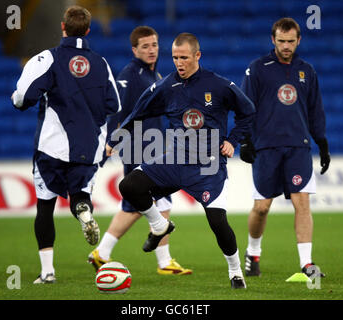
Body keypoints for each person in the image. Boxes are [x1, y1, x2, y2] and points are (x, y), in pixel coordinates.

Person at [107, 33, 256, 289]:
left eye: (184, 57)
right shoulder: (166, 86)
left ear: (197, 56)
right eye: (175, 57)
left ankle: (235, 271)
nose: (179, 63)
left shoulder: (219, 85)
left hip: (208, 167)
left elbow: (248, 112)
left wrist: (233, 139)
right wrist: (115, 139)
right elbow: (138, 112)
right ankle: (159, 224)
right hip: (174, 161)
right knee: (130, 186)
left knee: (218, 223)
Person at [11, 5, 121, 284]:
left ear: (63, 28)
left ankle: (48, 272)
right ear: (88, 30)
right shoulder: (101, 63)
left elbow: (24, 97)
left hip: (53, 147)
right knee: (80, 195)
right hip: (89, 147)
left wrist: (18, 99)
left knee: (45, 206)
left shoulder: (47, 58)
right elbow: (114, 104)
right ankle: (83, 210)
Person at [88, 26, 192, 275]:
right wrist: (114, 141)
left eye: (154, 45)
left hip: (152, 146)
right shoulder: (131, 75)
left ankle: (102, 253)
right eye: (145, 46)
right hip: (138, 147)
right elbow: (119, 112)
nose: (151, 50)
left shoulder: (153, 76)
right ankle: (164, 262)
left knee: (139, 205)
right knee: (158, 201)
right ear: (134, 49)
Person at [241, 17, 330, 278]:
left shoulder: (307, 71)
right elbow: (245, 107)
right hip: (266, 147)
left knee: (302, 203)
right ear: (273, 40)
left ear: (298, 40)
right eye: (281, 41)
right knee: (262, 207)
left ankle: (307, 264)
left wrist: (321, 142)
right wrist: (245, 140)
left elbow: (315, 110)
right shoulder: (257, 68)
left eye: (291, 41)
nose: (286, 46)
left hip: (298, 147)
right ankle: (252, 252)